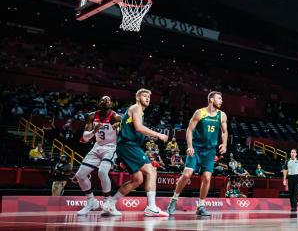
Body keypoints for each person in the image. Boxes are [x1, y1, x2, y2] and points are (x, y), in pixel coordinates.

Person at [103, 88, 169, 217]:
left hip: (127, 147)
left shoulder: (136, 111)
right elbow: (139, 128)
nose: (147, 98)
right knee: (151, 171)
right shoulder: (136, 108)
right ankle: (151, 207)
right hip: (128, 146)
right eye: (144, 96)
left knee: (137, 179)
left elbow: (133, 129)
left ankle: (110, 203)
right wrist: (158, 135)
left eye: (149, 96)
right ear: (138, 97)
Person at [167, 91, 227, 217]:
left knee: (207, 178)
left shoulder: (222, 115)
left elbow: (224, 131)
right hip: (196, 149)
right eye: (219, 98)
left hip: (210, 151)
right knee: (187, 175)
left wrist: (224, 144)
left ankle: (201, 206)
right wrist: (189, 146)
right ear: (211, 100)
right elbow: (189, 130)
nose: (221, 101)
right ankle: (173, 200)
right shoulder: (200, 112)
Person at [75, 96, 122, 215]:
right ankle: (91, 201)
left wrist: (119, 126)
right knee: (80, 175)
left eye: (108, 101)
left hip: (110, 147)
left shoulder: (115, 116)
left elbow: (123, 127)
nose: (106, 102)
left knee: (102, 172)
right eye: (104, 101)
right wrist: (94, 131)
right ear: (99, 103)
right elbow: (85, 137)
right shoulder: (92, 116)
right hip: (97, 147)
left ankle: (107, 202)